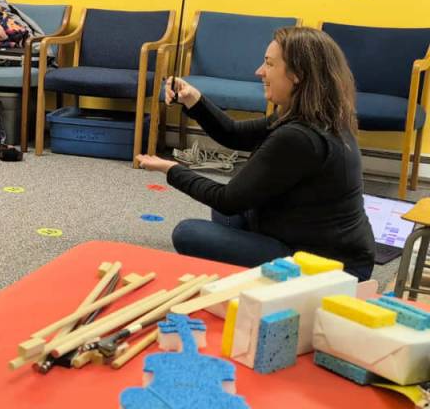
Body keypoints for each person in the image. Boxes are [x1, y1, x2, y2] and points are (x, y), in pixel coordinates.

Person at [136, 27, 375, 280]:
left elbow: (226, 199)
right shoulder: (315, 114)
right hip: (313, 237)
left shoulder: (298, 137)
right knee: (232, 210)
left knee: (188, 232)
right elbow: (233, 133)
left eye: (269, 64)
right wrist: (194, 99)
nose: (259, 71)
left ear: (298, 74)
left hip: (325, 264)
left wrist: (171, 169)